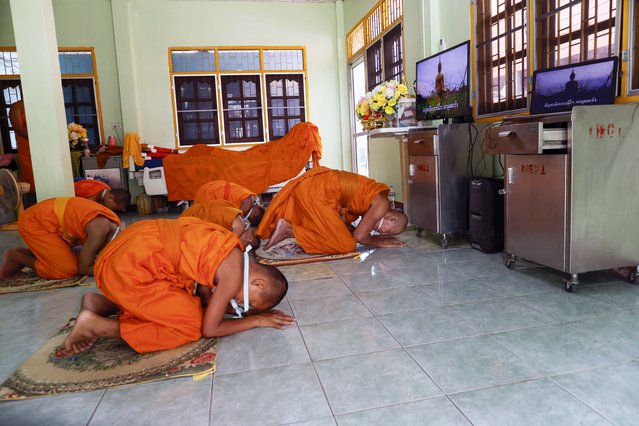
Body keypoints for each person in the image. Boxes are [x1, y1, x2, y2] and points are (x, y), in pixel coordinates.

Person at [62, 217, 294, 354]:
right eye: (249, 302)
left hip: (130, 248)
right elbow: (209, 329)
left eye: (246, 308)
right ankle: (95, 325)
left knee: (185, 301)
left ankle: (103, 303)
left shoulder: (233, 251)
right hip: (129, 269)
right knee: (189, 325)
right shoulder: (233, 277)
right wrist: (256, 320)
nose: (241, 305)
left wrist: (230, 309)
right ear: (258, 282)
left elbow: (204, 295)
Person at [257, 166, 408, 254]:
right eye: (388, 232)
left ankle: (289, 228)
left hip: (313, 188)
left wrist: (373, 238)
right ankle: (289, 230)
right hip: (318, 192)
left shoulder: (375, 200)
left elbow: (345, 226)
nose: (383, 234)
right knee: (346, 245)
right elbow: (359, 237)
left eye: (386, 235)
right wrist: (380, 242)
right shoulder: (381, 205)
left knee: (337, 233)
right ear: (391, 218)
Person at [0, 197, 120, 280]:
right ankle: (16, 256)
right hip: (35, 221)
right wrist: (113, 269)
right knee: (67, 270)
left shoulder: (114, 223)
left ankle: (39, 255)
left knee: (79, 257)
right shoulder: (98, 232)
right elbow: (84, 268)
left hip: (49, 218)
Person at [179, 199, 260, 250]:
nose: (239, 247)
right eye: (243, 247)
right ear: (248, 238)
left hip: (189, 215)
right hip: (186, 225)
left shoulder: (238, 218)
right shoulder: (240, 226)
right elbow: (223, 247)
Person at [194, 180, 265, 226]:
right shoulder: (247, 205)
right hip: (210, 193)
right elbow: (232, 217)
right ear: (255, 212)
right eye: (249, 218)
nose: (246, 217)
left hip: (209, 187)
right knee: (205, 223)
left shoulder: (251, 196)